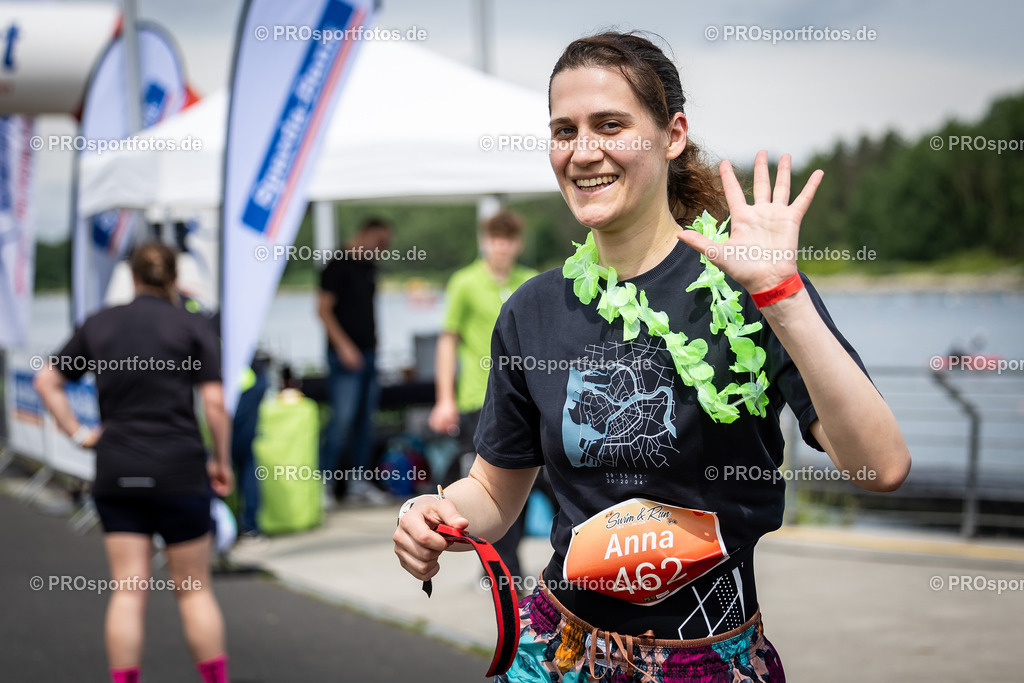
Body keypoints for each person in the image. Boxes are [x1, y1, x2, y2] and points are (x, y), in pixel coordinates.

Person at [394, 31, 911, 682]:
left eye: (610, 125)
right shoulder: (531, 310)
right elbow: (496, 489)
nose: (584, 152)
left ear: (672, 135)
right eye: (564, 130)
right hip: (561, 652)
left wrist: (783, 298)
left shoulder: (749, 284)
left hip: (707, 657)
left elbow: (880, 464)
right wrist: (430, 511)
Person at [35, 241, 233, 683]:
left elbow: (46, 380)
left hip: (117, 467)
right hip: (179, 469)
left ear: (132, 275)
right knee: (194, 590)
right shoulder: (192, 325)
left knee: (128, 590)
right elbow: (215, 405)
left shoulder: (100, 324)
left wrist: (79, 434)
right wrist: (223, 462)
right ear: (174, 276)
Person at [428, 209, 538, 582]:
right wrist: (444, 398)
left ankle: (508, 567)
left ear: (517, 243)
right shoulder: (465, 282)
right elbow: (448, 340)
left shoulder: (529, 281)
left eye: (508, 240)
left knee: (524, 487)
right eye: (496, 239)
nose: (502, 247)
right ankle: (502, 572)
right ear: (486, 241)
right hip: (478, 397)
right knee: (487, 484)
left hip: (523, 398)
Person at [317, 218, 393, 506]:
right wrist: (345, 347)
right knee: (342, 420)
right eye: (380, 242)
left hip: (369, 354)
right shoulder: (337, 265)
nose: (382, 249)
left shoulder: (370, 267)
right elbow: (323, 310)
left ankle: (357, 482)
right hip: (343, 355)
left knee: (365, 421)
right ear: (365, 234)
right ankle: (324, 484)